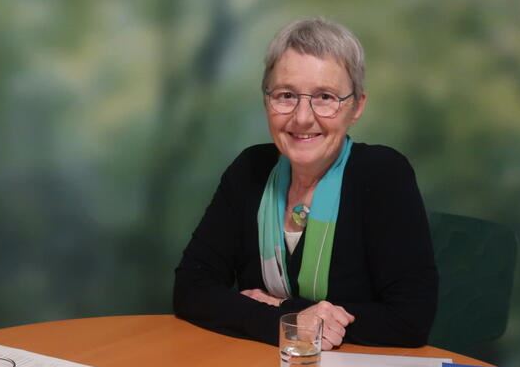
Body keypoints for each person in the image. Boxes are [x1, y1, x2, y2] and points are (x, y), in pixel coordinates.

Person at [173, 18, 437, 349]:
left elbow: (409, 322)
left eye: (325, 97)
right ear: (266, 100)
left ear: (356, 107)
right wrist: (292, 322)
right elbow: (190, 290)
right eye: (286, 95)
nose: (301, 117)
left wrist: (280, 309)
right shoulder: (249, 170)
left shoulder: (384, 175)